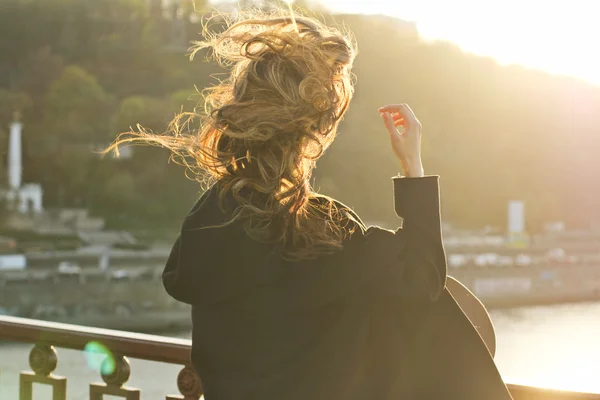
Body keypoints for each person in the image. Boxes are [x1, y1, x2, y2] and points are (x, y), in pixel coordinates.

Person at [109, 8, 513, 400]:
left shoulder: (208, 220)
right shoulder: (320, 231)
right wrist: (414, 167)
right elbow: (423, 278)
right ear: (317, 129)